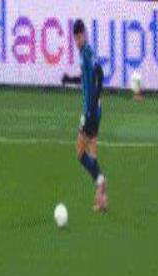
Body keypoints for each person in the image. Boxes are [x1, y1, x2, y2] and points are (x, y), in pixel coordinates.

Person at [62, 19, 108, 212]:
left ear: (84, 34)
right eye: (75, 38)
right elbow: (86, 77)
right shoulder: (83, 53)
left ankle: (101, 182)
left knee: (80, 153)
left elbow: (100, 74)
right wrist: (70, 79)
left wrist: (91, 108)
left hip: (91, 112)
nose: (78, 40)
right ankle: (101, 197)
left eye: (79, 36)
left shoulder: (87, 52)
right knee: (91, 154)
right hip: (93, 111)